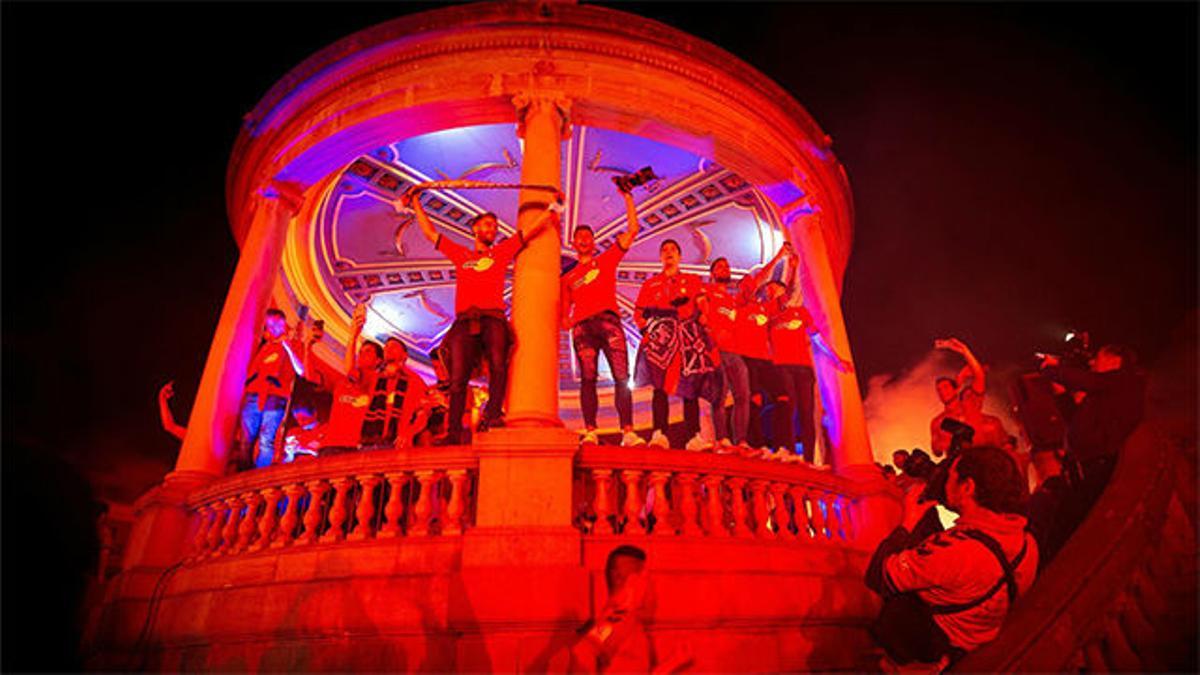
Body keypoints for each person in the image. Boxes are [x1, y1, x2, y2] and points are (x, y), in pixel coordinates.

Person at [403, 186, 559, 443]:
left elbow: (528, 232)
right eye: (487, 225)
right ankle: (453, 432)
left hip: (493, 317)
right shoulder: (460, 253)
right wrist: (416, 203)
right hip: (465, 321)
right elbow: (431, 233)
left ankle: (494, 415)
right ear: (475, 229)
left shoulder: (500, 252)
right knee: (457, 379)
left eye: (494, 226)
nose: (492, 229)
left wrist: (552, 209)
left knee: (499, 365)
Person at [865, 446, 1038, 669]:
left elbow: (878, 574)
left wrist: (907, 524)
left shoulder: (955, 553)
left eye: (951, 477)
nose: (945, 483)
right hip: (980, 642)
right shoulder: (1027, 544)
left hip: (934, 655)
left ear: (967, 487)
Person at [561, 186, 642, 447]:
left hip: (609, 323)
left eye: (588, 236)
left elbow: (632, 231)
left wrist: (628, 197)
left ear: (594, 242)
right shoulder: (567, 278)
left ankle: (628, 431)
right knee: (587, 379)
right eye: (579, 237)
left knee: (622, 377)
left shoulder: (606, 260)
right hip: (583, 329)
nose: (584, 239)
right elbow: (563, 314)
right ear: (573, 243)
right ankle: (590, 430)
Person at [697, 243, 792, 454]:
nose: (725, 268)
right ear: (712, 273)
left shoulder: (735, 301)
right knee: (719, 396)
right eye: (720, 266)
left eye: (727, 266)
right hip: (715, 349)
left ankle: (741, 441)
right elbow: (700, 311)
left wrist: (780, 259)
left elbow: (758, 281)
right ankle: (721, 440)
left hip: (735, 352)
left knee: (743, 395)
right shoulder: (708, 291)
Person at [633, 239, 721, 450]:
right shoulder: (650, 284)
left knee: (690, 386)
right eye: (664, 250)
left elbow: (702, 304)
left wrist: (704, 316)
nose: (668, 253)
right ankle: (659, 433)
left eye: (673, 249)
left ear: (679, 256)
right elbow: (638, 313)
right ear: (660, 257)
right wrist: (647, 333)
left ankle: (694, 436)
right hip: (661, 340)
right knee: (659, 386)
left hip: (686, 337)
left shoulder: (692, 280)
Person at [763, 262, 852, 463]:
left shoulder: (800, 312)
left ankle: (810, 459)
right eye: (768, 290)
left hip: (803, 367)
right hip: (782, 365)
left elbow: (817, 338)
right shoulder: (768, 313)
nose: (770, 292)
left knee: (806, 411)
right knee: (788, 407)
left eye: (774, 288)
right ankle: (788, 451)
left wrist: (836, 359)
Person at [1040, 343, 1145, 509]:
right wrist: (1060, 393)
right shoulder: (1105, 392)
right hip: (1082, 465)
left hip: (1097, 466)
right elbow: (1074, 419)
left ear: (1115, 360)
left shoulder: (1124, 380)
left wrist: (1054, 369)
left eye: (1097, 359)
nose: (1091, 363)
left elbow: (1087, 381)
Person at [569, 545, 692, 674]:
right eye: (644, 578)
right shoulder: (615, 619)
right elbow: (580, 654)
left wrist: (674, 661)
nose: (650, 590)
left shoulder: (631, 623)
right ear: (631, 581)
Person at [237, 308, 306, 470]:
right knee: (246, 439)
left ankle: (259, 475)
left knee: (266, 440)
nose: (274, 328)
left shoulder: (293, 344)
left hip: (276, 395)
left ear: (283, 324)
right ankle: (241, 473)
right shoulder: (263, 346)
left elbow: (301, 370)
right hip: (254, 394)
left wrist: (288, 347)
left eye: (278, 324)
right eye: (270, 325)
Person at [930, 338, 1008, 456]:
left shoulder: (971, 405)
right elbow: (937, 452)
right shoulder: (937, 422)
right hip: (960, 467)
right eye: (939, 390)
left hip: (982, 461)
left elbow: (979, 376)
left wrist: (964, 351)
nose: (942, 392)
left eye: (945, 387)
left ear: (955, 390)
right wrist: (938, 445)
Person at [360, 338, 431, 450]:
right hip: (368, 444)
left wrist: (409, 433)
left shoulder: (415, 381)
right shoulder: (373, 378)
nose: (388, 348)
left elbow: (423, 413)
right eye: (386, 346)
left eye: (394, 346)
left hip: (399, 444)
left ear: (404, 355)